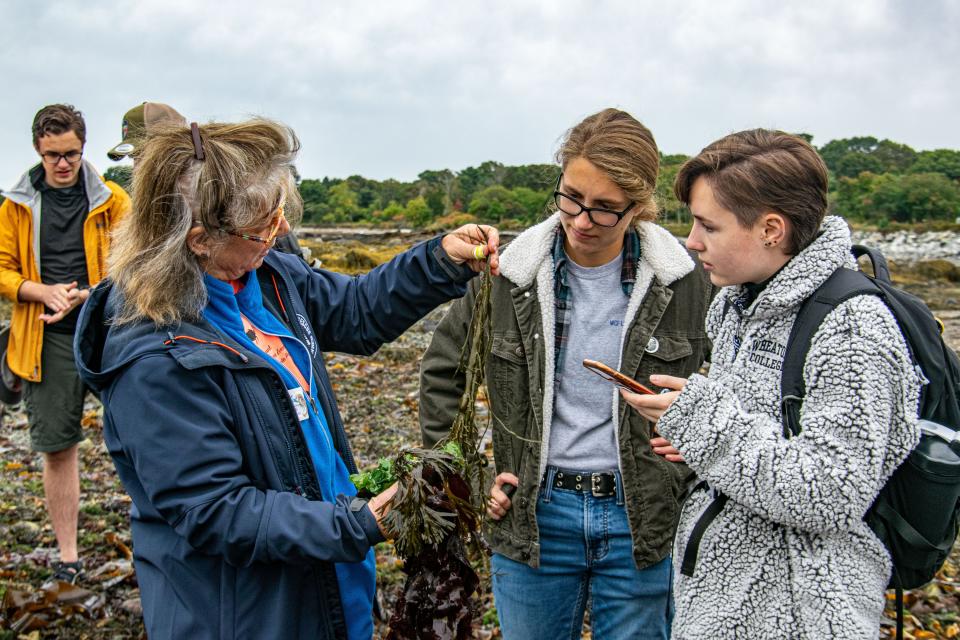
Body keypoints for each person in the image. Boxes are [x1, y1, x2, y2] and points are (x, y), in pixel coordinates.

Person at [74, 117, 499, 640]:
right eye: (262, 227)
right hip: (245, 615)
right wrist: (358, 525)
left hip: (326, 586)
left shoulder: (268, 276)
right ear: (200, 239)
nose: (278, 233)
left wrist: (438, 262)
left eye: (280, 213)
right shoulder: (154, 358)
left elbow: (355, 312)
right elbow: (216, 511)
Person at [419, 108, 713, 639]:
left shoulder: (689, 284)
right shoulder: (508, 277)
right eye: (572, 197)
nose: (580, 220)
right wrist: (463, 477)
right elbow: (444, 370)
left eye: (605, 209)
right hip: (533, 516)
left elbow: (739, 382)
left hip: (642, 520)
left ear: (639, 208)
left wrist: (688, 475)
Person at [622, 130, 920, 639]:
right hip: (724, 603)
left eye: (707, 226)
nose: (691, 242)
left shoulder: (853, 329)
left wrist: (704, 423)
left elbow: (831, 493)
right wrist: (696, 438)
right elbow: (757, 438)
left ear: (771, 229)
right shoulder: (741, 303)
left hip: (801, 615)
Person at [0, 104, 130, 584]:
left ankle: (163, 530)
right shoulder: (14, 206)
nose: (63, 164)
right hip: (45, 339)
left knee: (144, 433)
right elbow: (3, 269)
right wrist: (41, 292)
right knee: (57, 447)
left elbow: (134, 261)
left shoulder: (113, 200)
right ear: (38, 148)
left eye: (71, 154)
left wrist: (86, 295)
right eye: (53, 154)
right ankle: (69, 555)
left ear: (83, 148)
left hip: (108, 331)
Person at [107, 101, 310, 261]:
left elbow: (292, 277)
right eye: (135, 158)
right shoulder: (148, 212)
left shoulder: (239, 196)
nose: (140, 168)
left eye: (151, 156)